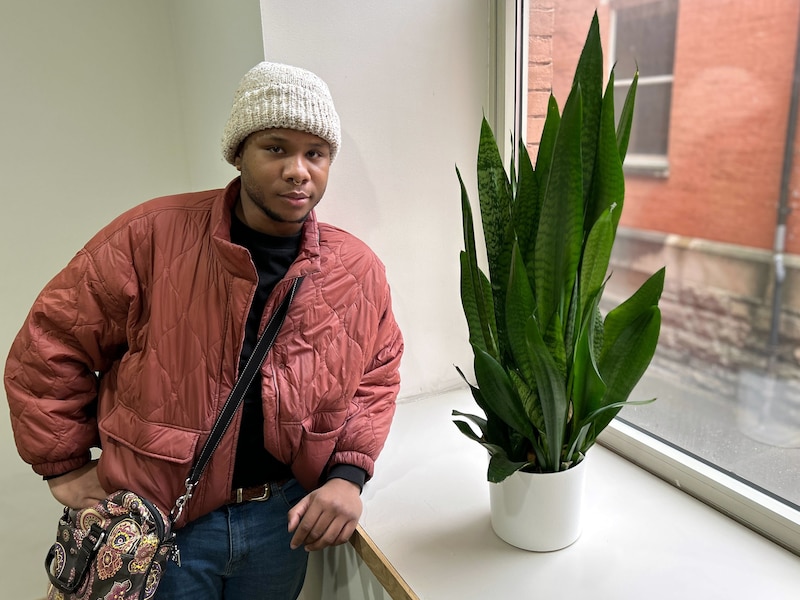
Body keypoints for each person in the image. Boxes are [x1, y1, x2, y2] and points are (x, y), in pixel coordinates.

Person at [4, 61, 403, 599]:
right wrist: (63, 466)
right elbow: (50, 343)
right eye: (276, 148)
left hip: (279, 525)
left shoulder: (355, 268)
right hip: (165, 527)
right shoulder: (151, 236)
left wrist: (349, 474)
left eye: (316, 153)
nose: (298, 170)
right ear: (238, 153)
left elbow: (376, 374)